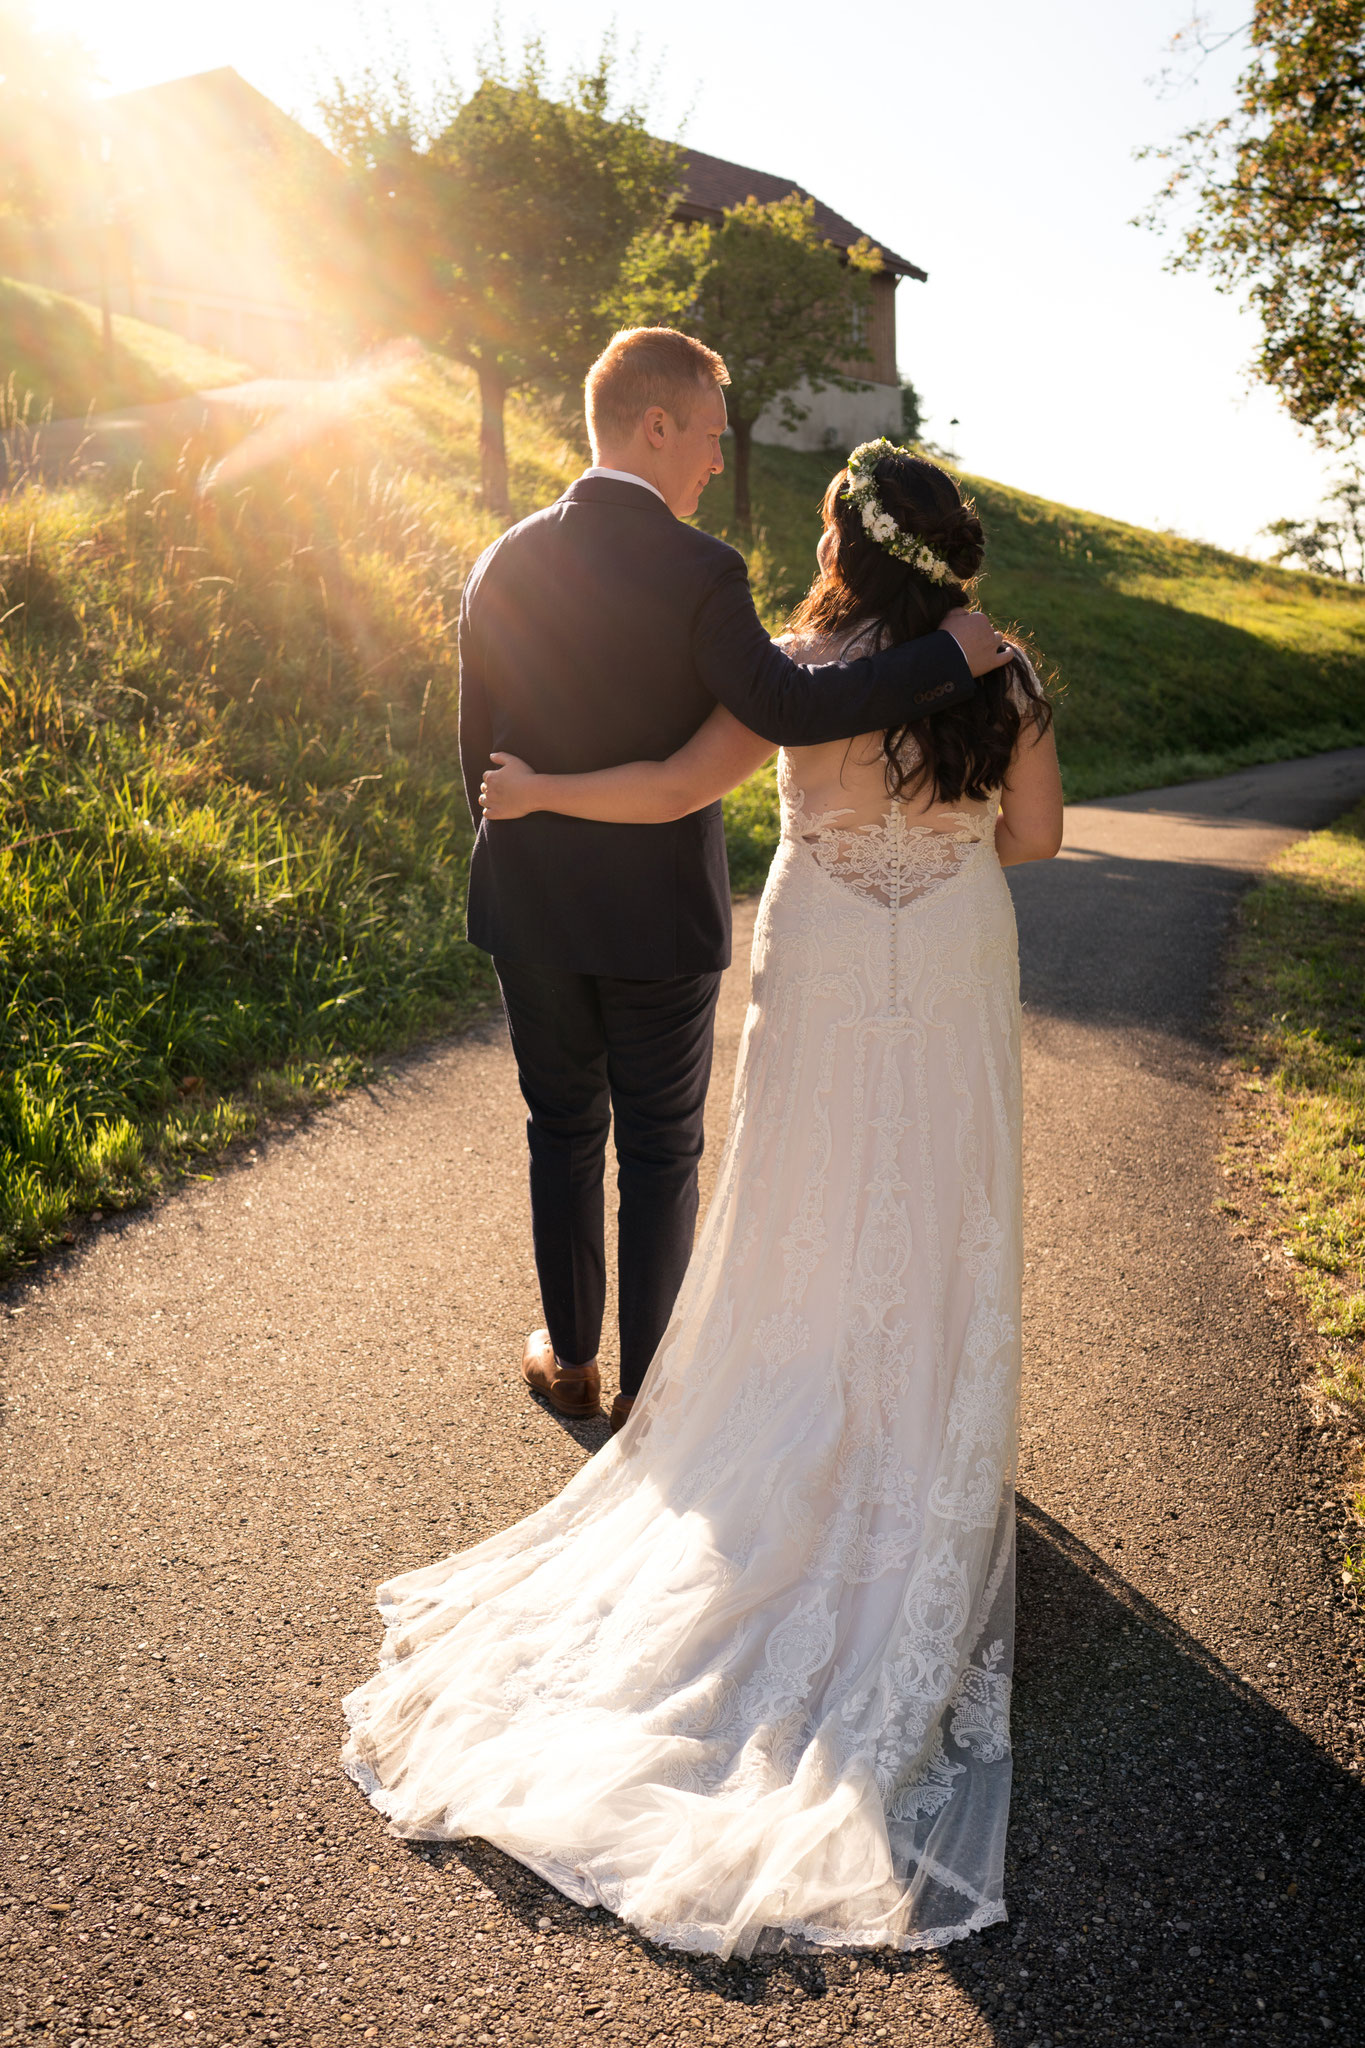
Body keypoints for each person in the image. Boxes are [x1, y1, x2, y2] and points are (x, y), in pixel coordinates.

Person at [342, 441, 1063, 1958]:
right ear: (946, 561)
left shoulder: (795, 665)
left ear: (848, 551)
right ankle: (916, 1433)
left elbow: (676, 786)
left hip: (823, 950)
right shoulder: (1003, 676)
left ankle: (799, 1423)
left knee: (804, 1205)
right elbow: (1038, 842)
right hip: (946, 961)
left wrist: (537, 791)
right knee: (933, 1203)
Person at [455, 327, 1013, 1431]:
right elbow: (792, 707)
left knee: (559, 1127)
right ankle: (649, 1384)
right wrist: (951, 655)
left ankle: (568, 1357)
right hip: (657, 914)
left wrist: (523, 841)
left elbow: (476, 757)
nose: (716, 460)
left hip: (526, 897)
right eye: (709, 436)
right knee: (659, 1146)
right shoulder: (701, 569)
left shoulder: (502, 557)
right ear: (654, 424)